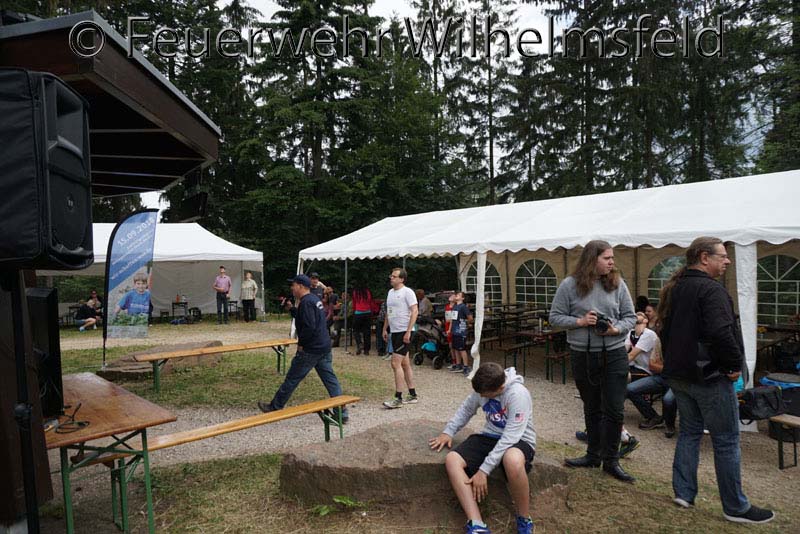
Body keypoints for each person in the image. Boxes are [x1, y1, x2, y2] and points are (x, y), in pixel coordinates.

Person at [658, 237, 774, 523]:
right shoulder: (711, 290)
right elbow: (722, 332)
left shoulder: (676, 287)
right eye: (722, 256)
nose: (728, 260)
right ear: (703, 257)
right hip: (707, 377)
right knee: (726, 440)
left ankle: (684, 492)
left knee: (689, 432)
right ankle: (735, 507)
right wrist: (733, 365)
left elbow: (664, 331)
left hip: (680, 375)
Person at [549, 240, 637, 482]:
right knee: (591, 406)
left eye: (612, 258)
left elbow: (630, 317)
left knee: (615, 408)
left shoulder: (617, 283)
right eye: (606, 258)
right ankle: (593, 455)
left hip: (614, 353)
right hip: (583, 354)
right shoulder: (569, 285)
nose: (612, 262)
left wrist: (615, 329)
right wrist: (579, 322)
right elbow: (554, 317)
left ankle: (611, 460)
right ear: (591, 259)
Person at [429, 362, 536, 534]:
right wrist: (448, 432)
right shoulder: (484, 387)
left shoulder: (518, 394)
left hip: (518, 439)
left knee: (512, 460)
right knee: (452, 459)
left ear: (501, 388)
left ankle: (524, 518)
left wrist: (483, 470)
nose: (481, 397)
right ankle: (477, 524)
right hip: (490, 435)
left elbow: (511, 437)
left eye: (485, 395)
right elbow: (467, 409)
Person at [258, 274, 348, 423]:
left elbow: (309, 327)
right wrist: (292, 309)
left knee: (292, 378)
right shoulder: (314, 300)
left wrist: (301, 344)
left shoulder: (306, 302)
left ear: (300, 286)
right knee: (330, 380)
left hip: (311, 349)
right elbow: (309, 319)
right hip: (323, 346)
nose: (291, 288)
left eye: (293, 285)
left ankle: (275, 407)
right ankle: (342, 413)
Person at [625, 312, 677, 437]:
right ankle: (654, 417)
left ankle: (669, 425)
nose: (660, 328)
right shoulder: (658, 340)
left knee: (668, 400)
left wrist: (669, 369)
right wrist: (671, 369)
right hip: (661, 376)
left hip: (676, 380)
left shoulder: (679, 342)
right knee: (629, 389)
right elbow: (653, 365)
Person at [382, 268, 419, 409]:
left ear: (402, 279)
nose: (391, 278)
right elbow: (389, 312)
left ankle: (398, 398)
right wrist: (385, 328)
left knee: (395, 363)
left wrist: (409, 331)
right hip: (395, 331)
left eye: (394, 276)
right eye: (391, 276)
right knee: (405, 364)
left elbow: (415, 311)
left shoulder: (407, 292)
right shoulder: (390, 293)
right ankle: (413, 394)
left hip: (405, 330)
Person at [448, 291, 474, 376]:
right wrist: (450, 329)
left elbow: (470, 318)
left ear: (462, 298)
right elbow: (452, 319)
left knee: (462, 349)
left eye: (458, 295)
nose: (456, 296)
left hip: (461, 331)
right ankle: (458, 364)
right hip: (454, 330)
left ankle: (466, 366)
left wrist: (466, 323)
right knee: (456, 348)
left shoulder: (463, 307)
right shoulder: (455, 306)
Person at [351, 282, 374, 355]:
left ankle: (359, 343)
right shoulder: (367, 292)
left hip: (358, 313)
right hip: (367, 312)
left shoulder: (355, 292)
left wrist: (354, 312)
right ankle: (366, 350)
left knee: (356, 330)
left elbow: (354, 303)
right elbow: (370, 302)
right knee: (367, 332)